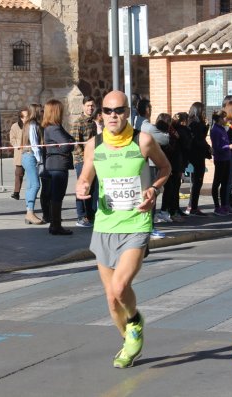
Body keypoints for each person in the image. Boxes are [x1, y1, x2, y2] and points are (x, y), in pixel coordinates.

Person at [76, 90, 170, 368]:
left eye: (119, 110)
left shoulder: (143, 141)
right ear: (100, 114)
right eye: (108, 111)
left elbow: (165, 168)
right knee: (111, 299)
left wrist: (153, 188)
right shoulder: (94, 145)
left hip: (136, 223)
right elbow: (85, 176)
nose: (113, 116)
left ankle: (134, 322)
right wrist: (82, 186)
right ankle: (130, 337)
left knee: (119, 287)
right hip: (104, 225)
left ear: (127, 112)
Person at [134, 99, 169, 238]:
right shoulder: (147, 126)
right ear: (147, 109)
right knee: (150, 194)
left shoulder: (135, 122)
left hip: (138, 163)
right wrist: (168, 133)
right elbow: (164, 139)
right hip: (150, 164)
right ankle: (150, 227)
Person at [43, 99, 75, 235]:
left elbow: (70, 140)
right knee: (57, 196)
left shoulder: (52, 127)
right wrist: (66, 146)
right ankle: (56, 225)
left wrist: (68, 143)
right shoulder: (54, 128)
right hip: (58, 165)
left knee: (54, 195)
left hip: (53, 165)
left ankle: (54, 224)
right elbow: (68, 145)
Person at [71, 96, 97, 228]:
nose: (90, 108)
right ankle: (81, 216)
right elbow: (76, 145)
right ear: (83, 106)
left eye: (92, 105)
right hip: (81, 160)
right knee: (82, 187)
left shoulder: (93, 122)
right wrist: (86, 158)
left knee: (93, 189)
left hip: (93, 161)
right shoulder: (78, 122)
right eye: (88, 105)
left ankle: (91, 216)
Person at [210, 110, 232, 216]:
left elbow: (226, 142)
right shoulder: (215, 130)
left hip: (227, 158)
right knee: (217, 183)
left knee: (225, 183)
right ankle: (217, 207)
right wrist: (229, 146)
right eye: (224, 118)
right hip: (220, 159)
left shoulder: (222, 129)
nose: (226, 120)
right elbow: (217, 147)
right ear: (219, 119)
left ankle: (224, 205)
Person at [20, 103, 45, 225]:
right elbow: (35, 144)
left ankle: (29, 211)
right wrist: (39, 159)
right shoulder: (33, 124)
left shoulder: (27, 124)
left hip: (26, 155)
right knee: (35, 185)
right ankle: (29, 212)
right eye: (41, 110)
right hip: (30, 156)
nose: (42, 112)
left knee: (30, 185)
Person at [185, 102, 210, 216]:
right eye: (203, 110)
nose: (204, 112)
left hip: (195, 155)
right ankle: (193, 207)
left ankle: (192, 206)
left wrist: (206, 127)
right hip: (196, 155)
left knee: (196, 182)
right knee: (197, 182)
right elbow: (199, 140)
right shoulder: (195, 124)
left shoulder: (194, 122)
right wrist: (208, 147)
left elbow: (201, 137)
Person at [9, 108, 28, 200]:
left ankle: (32, 191)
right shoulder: (15, 126)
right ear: (20, 117)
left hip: (30, 154)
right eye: (24, 116)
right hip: (20, 153)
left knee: (32, 174)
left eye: (27, 116)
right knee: (19, 174)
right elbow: (12, 139)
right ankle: (16, 192)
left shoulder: (31, 126)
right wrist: (19, 143)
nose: (26, 118)